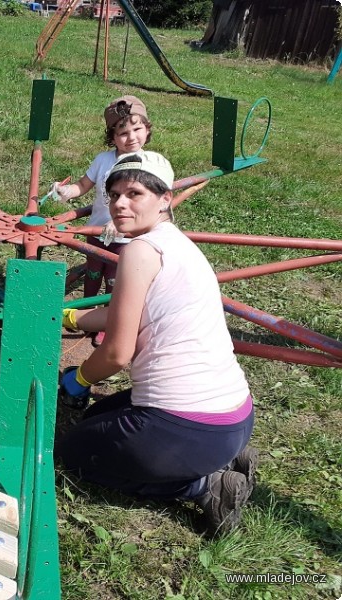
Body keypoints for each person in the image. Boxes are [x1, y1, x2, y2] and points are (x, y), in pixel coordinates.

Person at [56, 151, 257, 536]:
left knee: (72, 455)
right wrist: (66, 316)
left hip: (188, 426)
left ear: (165, 198)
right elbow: (122, 313)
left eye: (134, 193)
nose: (119, 204)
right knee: (92, 421)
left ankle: (204, 487)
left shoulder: (139, 251)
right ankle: (224, 457)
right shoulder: (177, 246)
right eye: (114, 194)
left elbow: (116, 354)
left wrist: (79, 379)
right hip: (234, 415)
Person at [50, 95, 152, 345]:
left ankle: (107, 321)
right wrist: (67, 192)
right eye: (123, 133)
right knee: (93, 274)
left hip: (126, 237)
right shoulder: (103, 160)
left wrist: (118, 223)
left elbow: (144, 205)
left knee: (115, 281)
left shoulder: (148, 165)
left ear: (147, 130)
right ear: (112, 136)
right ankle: (86, 315)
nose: (131, 138)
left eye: (137, 129)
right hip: (96, 232)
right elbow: (84, 185)